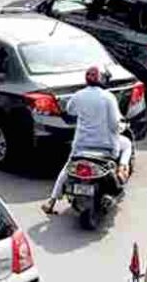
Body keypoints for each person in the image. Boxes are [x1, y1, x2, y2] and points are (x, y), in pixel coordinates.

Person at [41, 65, 133, 215]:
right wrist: (121, 127)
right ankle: (122, 168)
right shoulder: (108, 97)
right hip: (106, 147)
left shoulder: (79, 95)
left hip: (81, 146)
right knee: (127, 144)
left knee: (67, 167)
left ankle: (51, 201)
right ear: (103, 79)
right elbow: (114, 124)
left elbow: (70, 110)